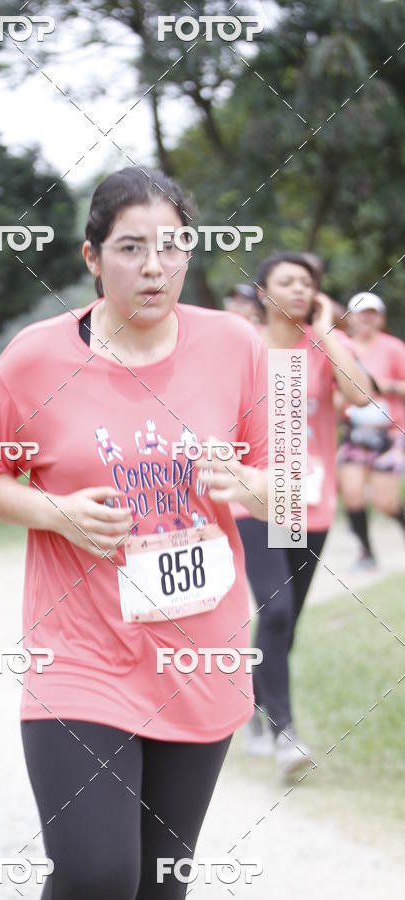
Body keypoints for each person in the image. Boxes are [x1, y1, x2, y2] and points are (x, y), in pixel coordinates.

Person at [0, 166, 270, 900]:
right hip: (81, 656)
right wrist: (55, 513)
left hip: (201, 656)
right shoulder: (36, 359)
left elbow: (285, 479)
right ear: (92, 258)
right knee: (97, 877)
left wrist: (249, 484)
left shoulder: (237, 345)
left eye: (171, 246)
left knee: (159, 886)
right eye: (130, 248)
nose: (153, 266)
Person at [236, 252, 374, 777]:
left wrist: (325, 330)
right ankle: (285, 734)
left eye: (306, 283)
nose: (297, 289)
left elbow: (361, 397)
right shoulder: (243, 347)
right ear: (263, 293)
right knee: (273, 612)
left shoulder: (321, 349)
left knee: (286, 622)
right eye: (285, 281)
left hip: (308, 502)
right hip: (253, 499)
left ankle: (254, 704)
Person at [336, 292, 405, 568]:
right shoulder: (342, 348)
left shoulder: (393, 348)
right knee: (351, 492)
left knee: (385, 501)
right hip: (354, 432)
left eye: (372, 314)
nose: (367, 320)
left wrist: (383, 386)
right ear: (349, 318)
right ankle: (366, 552)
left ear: (380, 318)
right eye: (361, 314)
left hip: (387, 433)